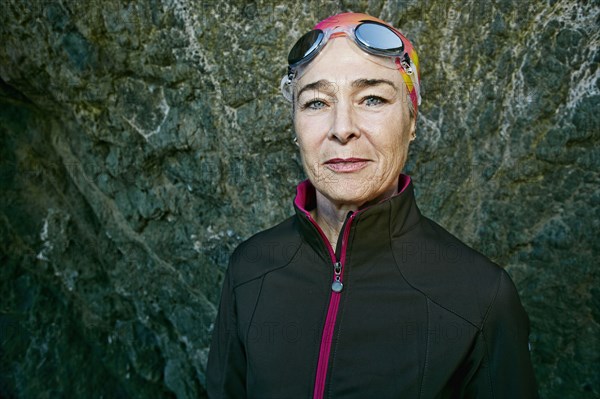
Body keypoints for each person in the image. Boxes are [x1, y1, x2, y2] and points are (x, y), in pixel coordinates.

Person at [206, 12, 538, 398]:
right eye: (316, 102)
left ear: (411, 120)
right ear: (294, 126)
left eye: (373, 98)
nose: (342, 127)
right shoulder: (250, 268)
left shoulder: (482, 296)